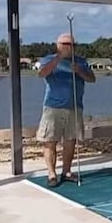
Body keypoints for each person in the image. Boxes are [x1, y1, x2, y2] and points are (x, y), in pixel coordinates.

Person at [36, 33, 96, 187]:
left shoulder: (81, 61)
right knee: (50, 141)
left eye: (70, 44)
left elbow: (91, 78)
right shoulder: (49, 59)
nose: (67, 47)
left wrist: (79, 71)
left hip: (74, 106)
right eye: (64, 44)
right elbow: (41, 73)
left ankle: (66, 171)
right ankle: (51, 173)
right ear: (57, 44)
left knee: (70, 141)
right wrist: (57, 59)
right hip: (53, 107)